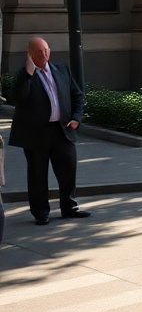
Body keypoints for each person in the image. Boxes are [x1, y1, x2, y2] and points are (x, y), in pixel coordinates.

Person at [10, 36, 85, 225]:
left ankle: (69, 207)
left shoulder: (62, 70)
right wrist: (28, 74)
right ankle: (41, 212)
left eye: (45, 50)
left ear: (49, 51)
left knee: (68, 170)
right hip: (37, 134)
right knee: (37, 175)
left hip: (62, 130)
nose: (43, 55)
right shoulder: (23, 75)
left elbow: (77, 95)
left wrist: (76, 118)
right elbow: (19, 98)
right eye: (37, 52)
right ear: (30, 55)